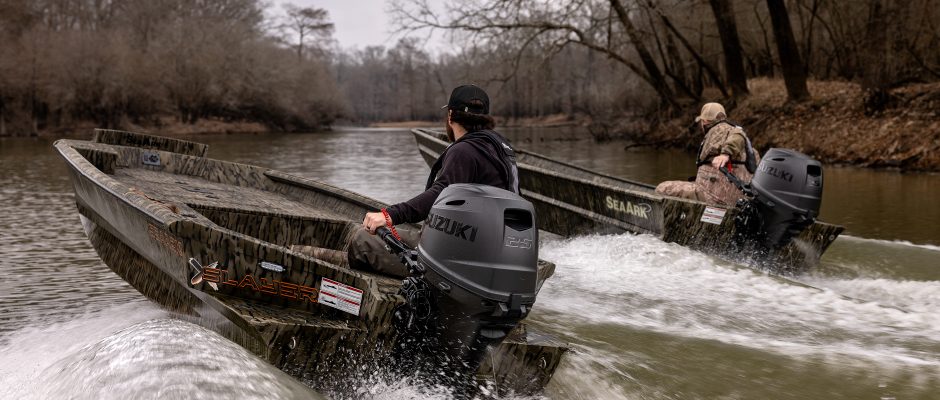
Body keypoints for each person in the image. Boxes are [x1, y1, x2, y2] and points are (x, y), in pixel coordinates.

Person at [347, 84, 519, 277]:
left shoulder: (464, 151)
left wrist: (389, 215)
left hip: (458, 260)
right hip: (494, 254)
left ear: (450, 116)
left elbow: (441, 193)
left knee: (361, 239)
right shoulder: (502, 150)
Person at [655, 102, 759, 207]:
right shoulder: (750, 148)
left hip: (714, 198)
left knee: (662, 188)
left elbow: (737, 134)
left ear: (704, 121)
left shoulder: (721, 130)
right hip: (740, 202)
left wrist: (726, 154)